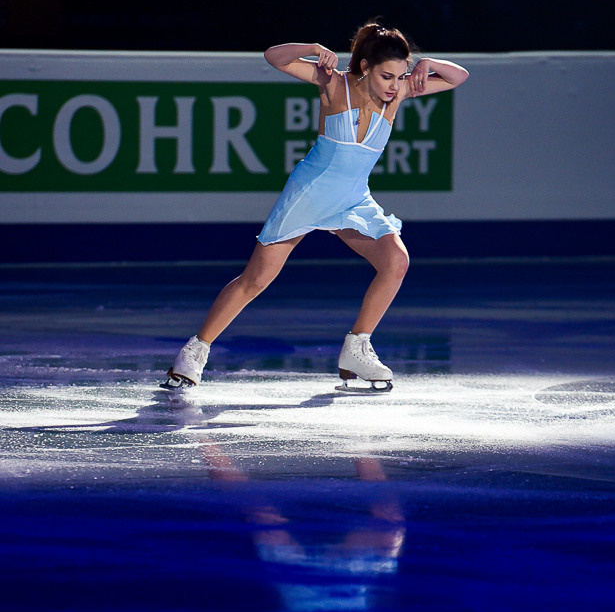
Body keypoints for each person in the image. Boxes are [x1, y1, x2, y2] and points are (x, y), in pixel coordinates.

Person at [163, 21, 468, 391]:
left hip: (353, 199)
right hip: (310, 193)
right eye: (387, 76)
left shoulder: (400, 92)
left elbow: (458, 77)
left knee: (396, 262)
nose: (394, 85)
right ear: (366, 67)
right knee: (256, 279)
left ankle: (356, 348)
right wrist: (310, 47)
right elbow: (274, 57)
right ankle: (195, 351)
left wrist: (427, 64)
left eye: (400, 76)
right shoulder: (334, 83)